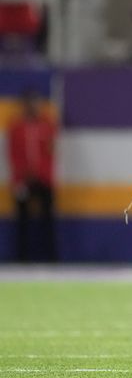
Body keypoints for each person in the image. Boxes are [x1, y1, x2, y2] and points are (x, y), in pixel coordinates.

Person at [7, 89, 58, 262]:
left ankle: (51, 257)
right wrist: (20, 178)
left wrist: (42, 173)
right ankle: (22, 257)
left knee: (47, 220)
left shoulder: (46, 125)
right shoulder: (16, 127)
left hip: (43, 179)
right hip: (23, 180)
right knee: (23, 221)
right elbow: (13, 154)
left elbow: (50, 152)